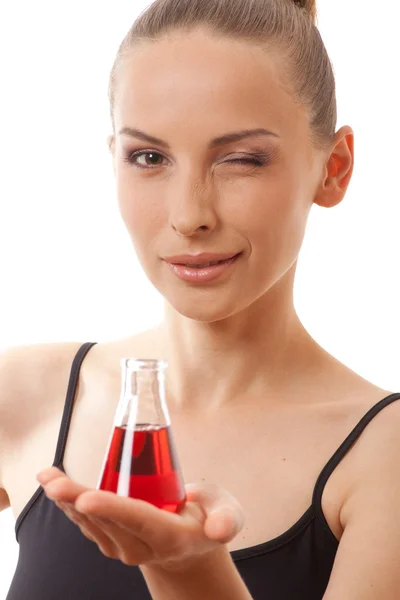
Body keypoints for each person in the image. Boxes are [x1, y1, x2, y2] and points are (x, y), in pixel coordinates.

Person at [1, 0, 400, 598]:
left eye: (240, 160)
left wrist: (189, 569)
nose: (189, 216)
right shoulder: (23, 394)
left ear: (334, 168)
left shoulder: (384, 460)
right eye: (149, 158)